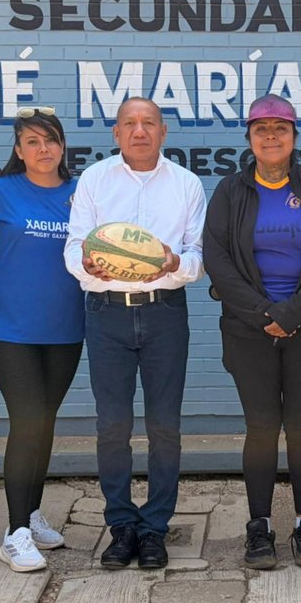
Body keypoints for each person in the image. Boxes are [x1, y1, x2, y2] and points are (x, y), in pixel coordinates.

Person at [203, 95, 301, 570]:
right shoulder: (230, 190)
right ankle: (259, 525)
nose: (271, 137)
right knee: (262, 427)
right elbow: (217, 259)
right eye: (261, 129)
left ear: (293, 138)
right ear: (249, 138)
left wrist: (292, 313)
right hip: (250, 330)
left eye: (280, 129)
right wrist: (263, 311)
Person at [64, 97, 206, 571]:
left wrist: (171, 264)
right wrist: (84, 263)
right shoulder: (94, 180)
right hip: (107, 313)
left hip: (165, 312)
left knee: (165, 426)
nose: (139, 131)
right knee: (113, 426)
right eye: (130, 123)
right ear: (116, 132)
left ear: (163, 132)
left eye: (149, 123)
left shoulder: (186, 184)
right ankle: (122, 524)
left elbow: (198, 257)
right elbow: (73, 245)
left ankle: (156, 528)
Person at [0, 108, 86, 573]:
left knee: (44, 421)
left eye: (51, 141)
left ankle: (32, 512)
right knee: (27, 420)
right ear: (18, 151)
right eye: (32, 142)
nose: (43, 149)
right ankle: (15, 532)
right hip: (11, 329)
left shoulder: (81, 193)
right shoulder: (0, 192)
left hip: (66, 327)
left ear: (62, 146)